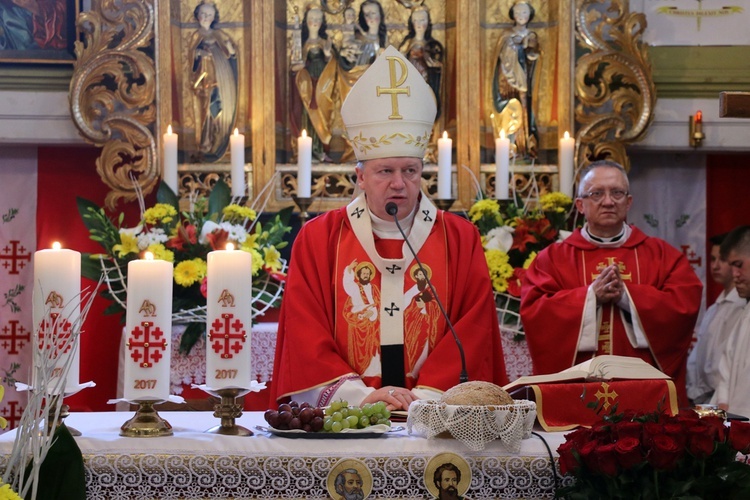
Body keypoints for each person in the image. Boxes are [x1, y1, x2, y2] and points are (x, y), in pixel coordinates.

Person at [271, 46, 507, 410]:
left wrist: (426, 399)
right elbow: (305, 331)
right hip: (349, 414)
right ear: (361, 177)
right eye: (386, 172)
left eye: (410, 171)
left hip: (436, 414)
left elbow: (473, 328)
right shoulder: (320, 238)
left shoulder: (459, 238)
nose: (399, 184)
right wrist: (360, 397)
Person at [520, 160, 703, 406]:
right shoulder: (552, 259)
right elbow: (536, 312)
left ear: (628, 202)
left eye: (617, 193)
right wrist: (590, 296)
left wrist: (628, 297)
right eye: (597, 194)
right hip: (577, 394)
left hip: (644, 394)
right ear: (580, 205)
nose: (608, 201)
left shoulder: (662, 255)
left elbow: (684, 305)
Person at [686, 233, 745, 404]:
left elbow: (729, 361)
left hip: (724, 396)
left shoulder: (741, 307)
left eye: (722, 260)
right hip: (702, 396)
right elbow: (698, 358)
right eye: (712, 259)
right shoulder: (714, 308)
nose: (715, 266)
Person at [189, 0, 238, 162]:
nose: (205, 17)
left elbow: (231, 53)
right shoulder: (196, 35)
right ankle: (206, 142)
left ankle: (218, 140)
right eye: (203, 14)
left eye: (209, 15)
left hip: (222, 73)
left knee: (220, 105)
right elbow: (191, 55)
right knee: (207, 108)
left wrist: (231, 49)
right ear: (197, 16)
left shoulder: (218, 35)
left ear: (213, 18)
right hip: (204, 76)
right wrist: (199, 53)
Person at [491, 0, 539, 159]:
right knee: (509, 107)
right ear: (513, 14)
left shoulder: (531, 36)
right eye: (518, 13)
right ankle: (508, 145)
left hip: (523, 78)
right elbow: (499, 55)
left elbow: (535, 56)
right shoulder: (506, 35)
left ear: (530, 14)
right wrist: (512, 46)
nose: (521, 16)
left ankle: (522, 146)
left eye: (524, 12)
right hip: (506, 76)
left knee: (522, 107)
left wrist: (529, 50)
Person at [714, 226, 750, 418]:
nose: (734, 274)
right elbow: (726, 367)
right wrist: (724, 405)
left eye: (739, 264)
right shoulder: (746, 311)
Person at [291, 5, 333, 161]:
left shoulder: (324, 42)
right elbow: (293, 65)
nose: (314, 22)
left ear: (322, 22)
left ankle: (321, 147)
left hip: (322, 80)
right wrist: (299, 66)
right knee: (307, 114)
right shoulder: (300, 43)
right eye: (311, 19)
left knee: (322, 112)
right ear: (306, 22)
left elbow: (332, 63)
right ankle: (309, 151)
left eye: (317, 19)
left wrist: (328, 55)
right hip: (306, 83)